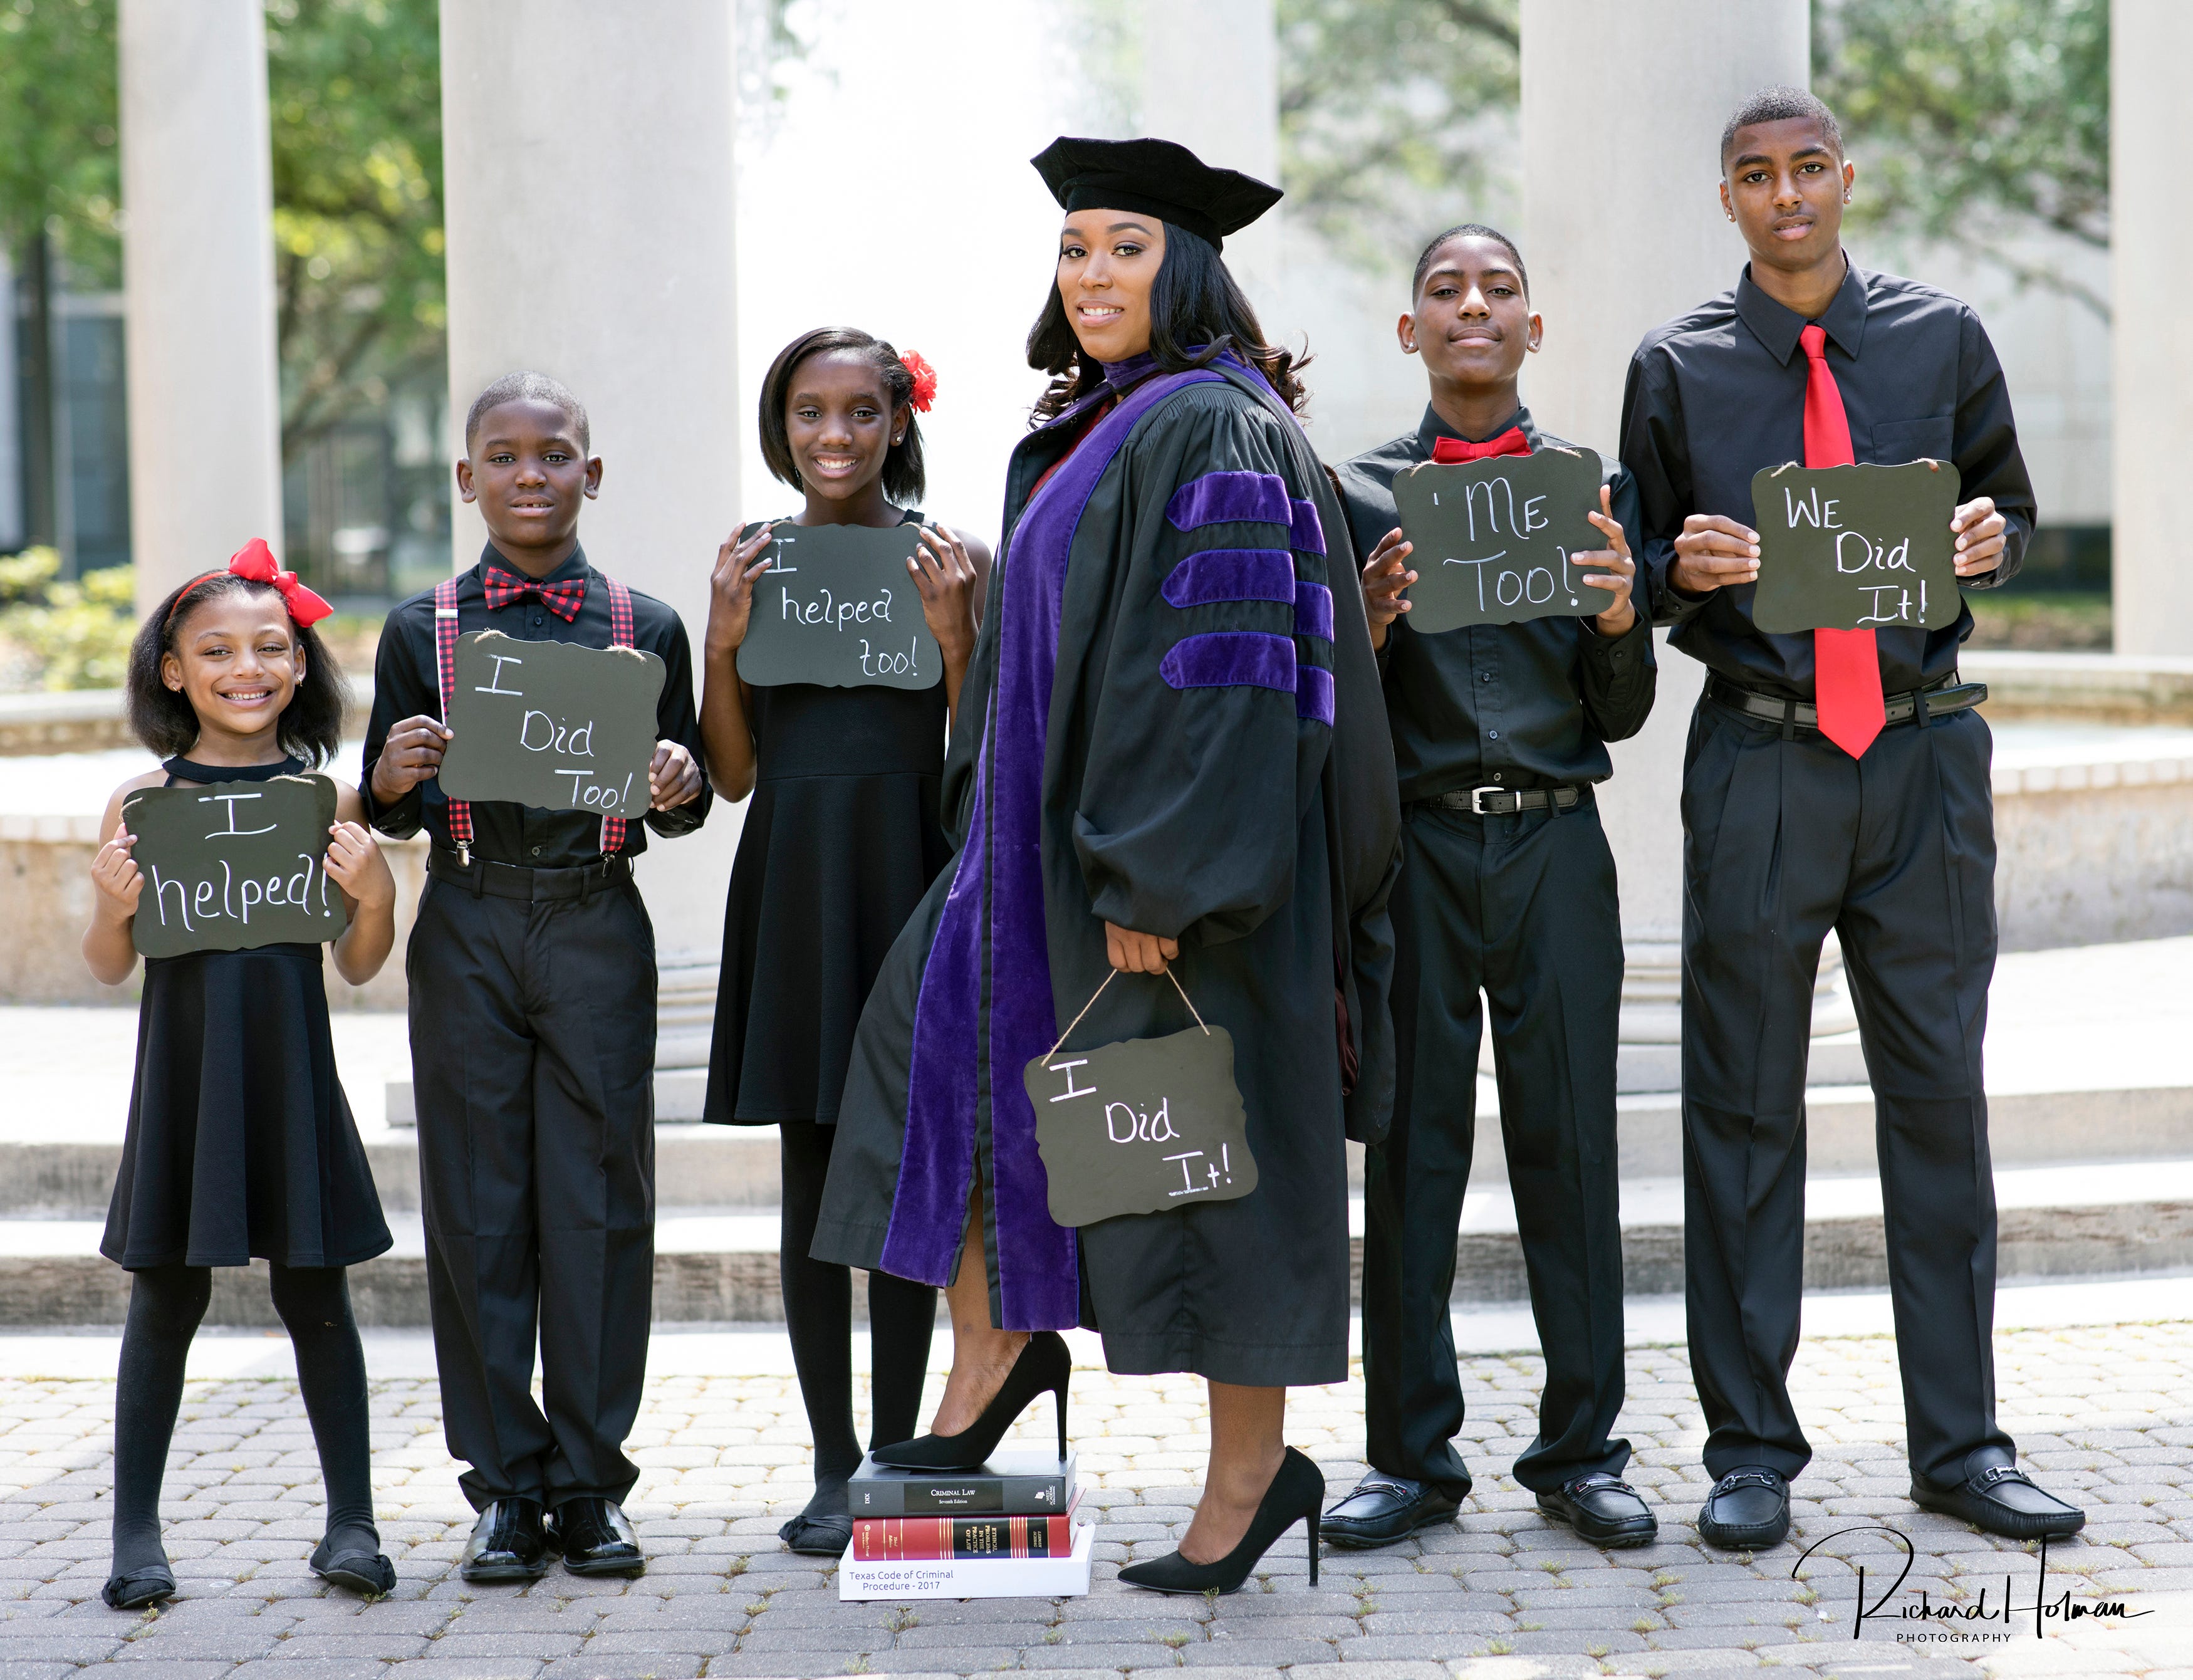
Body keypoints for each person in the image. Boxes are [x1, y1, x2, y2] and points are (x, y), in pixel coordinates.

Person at [815, 135, 1400, 1595]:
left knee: (1204, 1164)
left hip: (1174, 894)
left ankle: (1254, 1481)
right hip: (1035, 878)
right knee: (930, 1075)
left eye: (1125, 249)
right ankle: (997, 1356)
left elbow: (1224, 680)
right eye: (1075, 250)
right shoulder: (1104, 423)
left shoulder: (1211, 428)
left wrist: (1162, 881)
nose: (1091, 276)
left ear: (1186, 268)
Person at [1619, 86, 2084, 1548]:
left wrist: (1993, 537)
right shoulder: (1676, 367)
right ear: (1728, 200)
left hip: (1924, 763)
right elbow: (1625, 566)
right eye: (1754, 175)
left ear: (1845, 177)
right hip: (1762, 762)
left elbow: (2008, 512)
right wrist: (1675, 565)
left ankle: (1963, 1446)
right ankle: (1748, 1449)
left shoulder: (1941, 340)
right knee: (1743, 1106)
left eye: (1807, 168)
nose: (1786, 196)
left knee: (1939, 1100)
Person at [1321, 225, 1657, 1552]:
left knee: (1570, 1146)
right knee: (1410, 1152)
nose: (1473, 305)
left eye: (1500, 289)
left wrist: (1624, 621)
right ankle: (1410, 1457)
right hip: (1415, 852)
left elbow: (1619, 714)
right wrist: (1365, 622)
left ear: (1531, 328)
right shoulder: (1357, 497)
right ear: (1412, 332)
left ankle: (1580, 1452)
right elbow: (1332, 714)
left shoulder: (1588, 488)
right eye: (1445, 290)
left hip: (1556, 846)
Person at [362, 372, 712, 1583]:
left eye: (553, 455)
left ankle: (591, 1481)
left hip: (596, 922)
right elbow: (382, 808)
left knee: (603, 1195)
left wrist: (677, 778)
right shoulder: (423, 631)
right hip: (466, 917)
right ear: (466, 480)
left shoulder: (646, 626)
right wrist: (398, 770)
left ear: (590, 475)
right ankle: (504, 1487)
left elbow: (687, 802)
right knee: (476, 1200)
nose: (528, 475)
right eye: (502, 457)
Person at [699, 328, 989, 1556]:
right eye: (810, 413)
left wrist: (959, 638)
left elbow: (981, 757)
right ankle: (828, 1466)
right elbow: (727, 772)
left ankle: (894, 1458)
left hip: (906, 876)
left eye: (860, 413)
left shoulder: (950, 556)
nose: (834, 435)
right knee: (814, 1178)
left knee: (904, 1176)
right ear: (782, 426)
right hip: (795, 880)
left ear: (896, 423)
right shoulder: (756, 563)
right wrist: (719, 639)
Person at [83, 541, 399, 1609]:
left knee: (319, 1294)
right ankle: (136, 1534)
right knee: (162, 1299)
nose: (244, 666)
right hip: (184, 1079)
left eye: (270, 646)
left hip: (290, 1076)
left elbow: (357, 966)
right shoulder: (142, 803)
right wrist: (110, 907)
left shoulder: (324, 800)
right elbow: (107, 963)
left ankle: (351, 1521)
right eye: (215, 649)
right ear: (173, 670)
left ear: (301, 664)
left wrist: (378, 899)